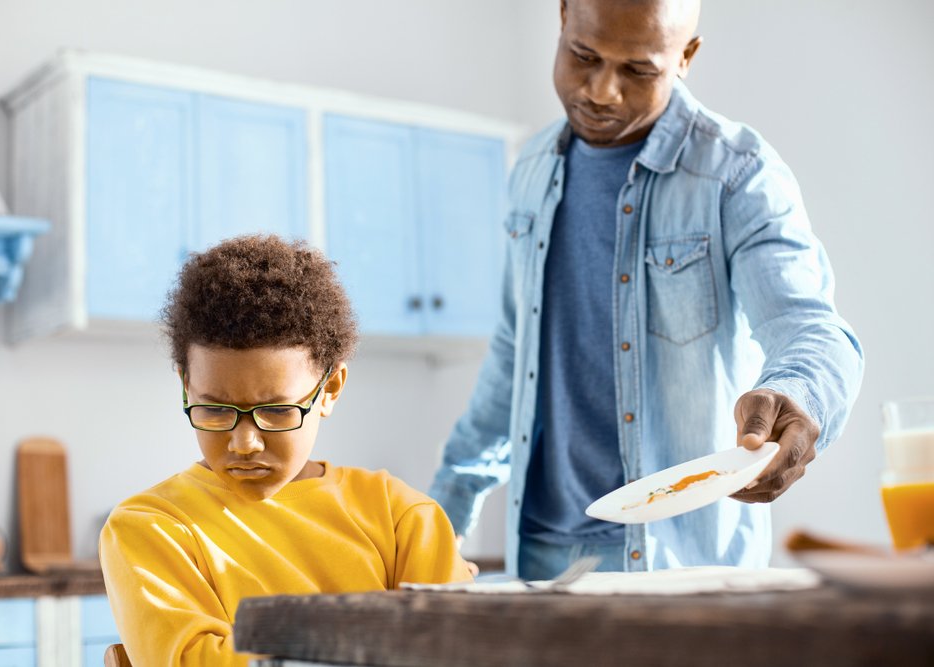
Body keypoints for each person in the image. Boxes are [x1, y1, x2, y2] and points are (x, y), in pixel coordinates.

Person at [430, 0, 864, 580]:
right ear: (562, 18)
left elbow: (810, 327)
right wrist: (438, 517)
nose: (603, 91)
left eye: (638, 70)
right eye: (584, 56)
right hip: (539, 560)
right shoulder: (530, 170)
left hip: (680, 569)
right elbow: (514, 357)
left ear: (686, 56)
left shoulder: (738, 174)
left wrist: (798, 395)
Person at [99, 235, 471, 665]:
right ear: (186, 385)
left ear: (329, 390)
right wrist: (391, 626)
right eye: (216, 410)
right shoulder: (148, 527)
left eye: (276, 411)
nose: (244, 443)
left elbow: (458, 651)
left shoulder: (398, 516)